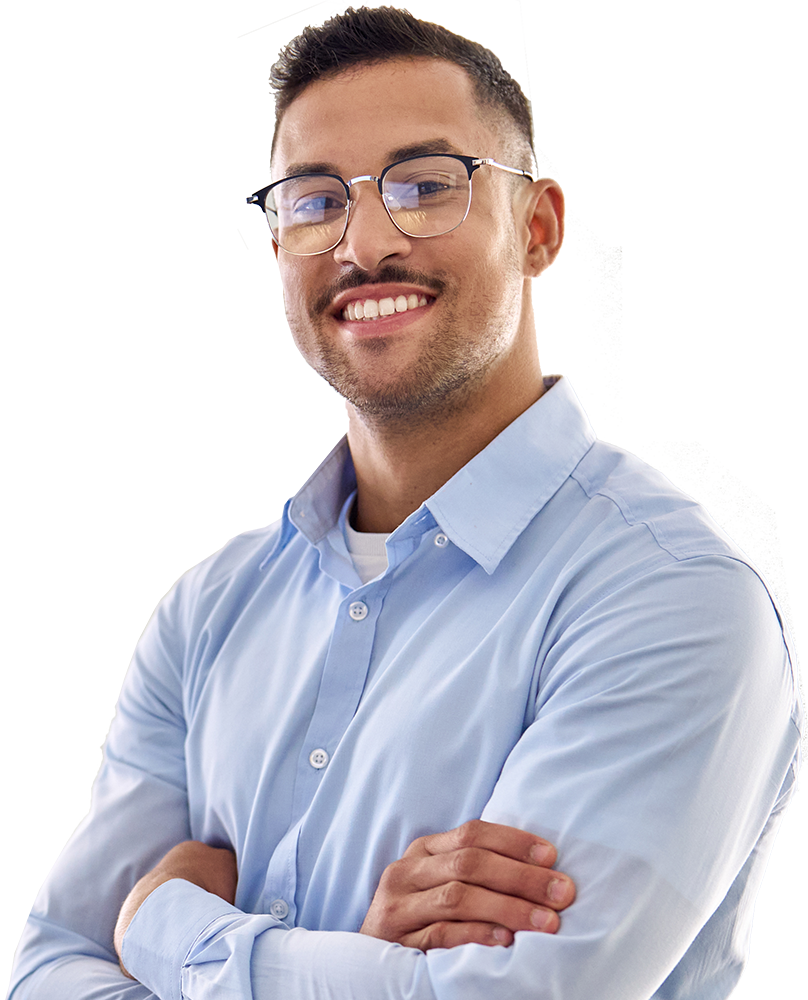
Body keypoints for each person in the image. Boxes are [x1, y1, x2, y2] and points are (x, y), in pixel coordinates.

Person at [10, 7, 802, 999]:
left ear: (539, 229)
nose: (365, 244)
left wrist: (163, 924)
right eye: (313, 200)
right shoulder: (204, 616)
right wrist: (361, 960)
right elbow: (45, 965)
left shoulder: (671, 601)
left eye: (425, 186)